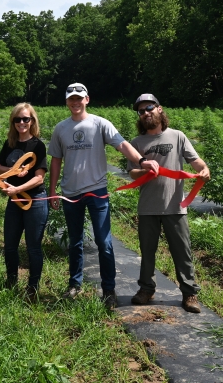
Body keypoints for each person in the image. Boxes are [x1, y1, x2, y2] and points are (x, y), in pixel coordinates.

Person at [48, 83, 159, 309]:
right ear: (67, 101)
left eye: (79, 98)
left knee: (104, 242)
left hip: (97, 192)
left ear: (87, 99)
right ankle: (74, 285)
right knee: (75, 242)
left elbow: (122, 145)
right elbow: (56, 161)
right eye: (71, 98)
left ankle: (109, 289)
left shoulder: (100, 124)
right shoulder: (60, 128)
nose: (75, 102)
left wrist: (141, 161)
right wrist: (52, 192)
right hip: (70, 193)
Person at [127, 94, 209, 313]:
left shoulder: (178, 136)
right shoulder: (137, 143)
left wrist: (204, 169)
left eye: (149, 108)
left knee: (182, 251)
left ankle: (189, 293)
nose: (145, 113)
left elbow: (196, 161)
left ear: (159, 109)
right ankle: (146, 289)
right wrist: (143, 169)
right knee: (147, 251)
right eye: (141, 111)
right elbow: (132, 173)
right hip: (148, 207)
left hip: (175, 206)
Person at [0, 103, 48, 301]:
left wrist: (17, 188)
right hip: (14, 200)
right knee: (10, 244)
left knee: (33, 246)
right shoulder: (10, 143)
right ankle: (11, 282)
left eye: (26, 119)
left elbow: (39, 178)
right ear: (13, 122)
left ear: (32, 121)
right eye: (17, 119)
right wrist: (14, 171)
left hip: (34, 200)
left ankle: (32, 288)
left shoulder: (38, 146)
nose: (22, 123)